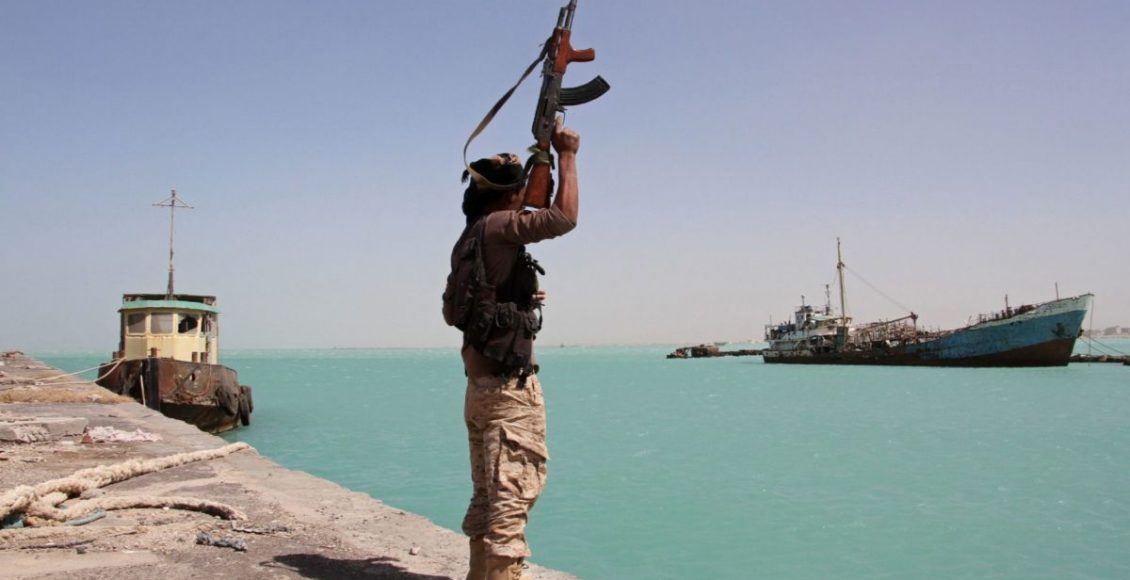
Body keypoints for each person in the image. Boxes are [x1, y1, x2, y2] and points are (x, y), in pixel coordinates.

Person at [443, 118, 580, 580]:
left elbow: (457, 310)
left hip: (478, 389)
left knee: (488, 501)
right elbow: (563, 219)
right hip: (508, 392)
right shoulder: (501, 225)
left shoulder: (470, 236)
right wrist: (567, 155)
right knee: (510, 508)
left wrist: (517, 297)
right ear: (509, 195)